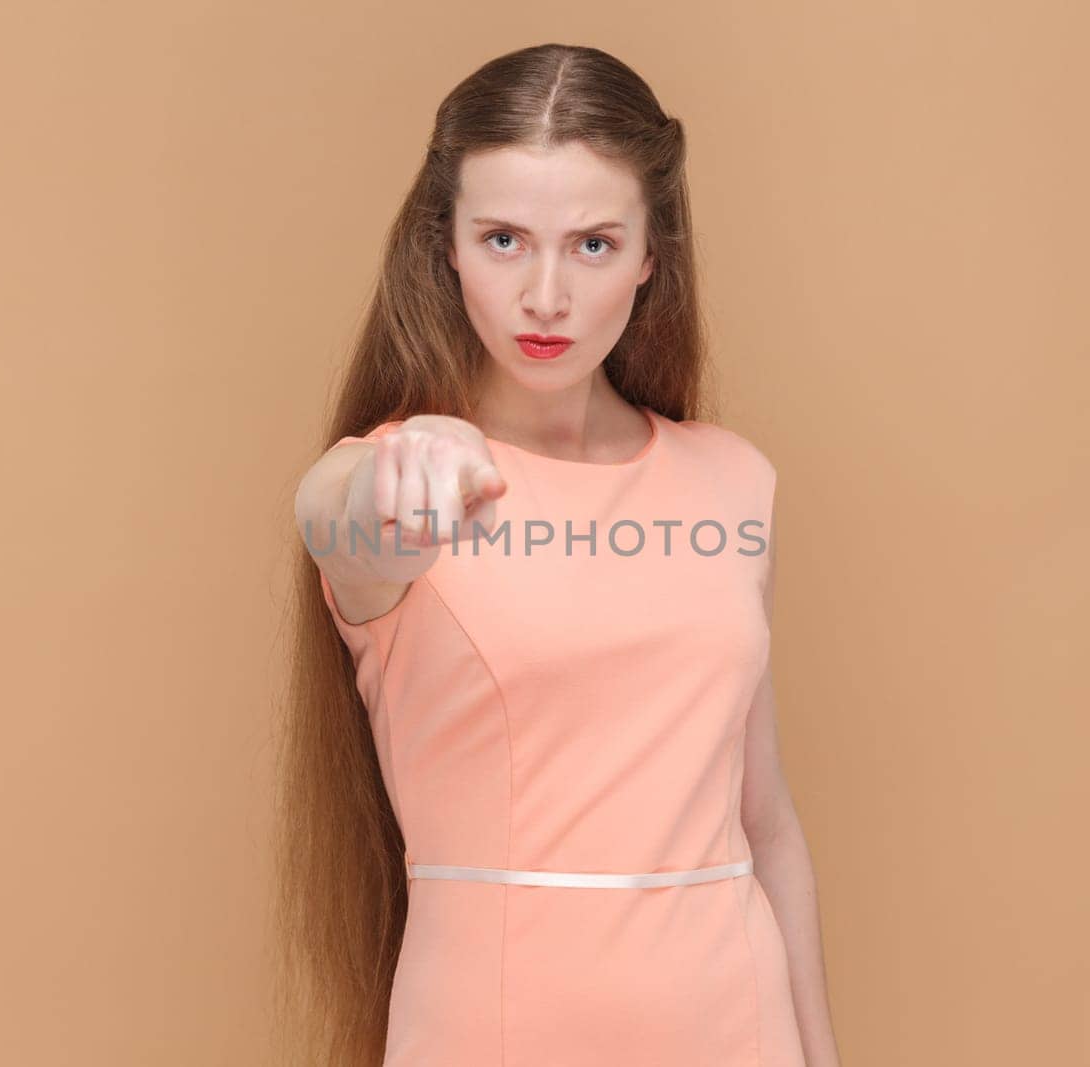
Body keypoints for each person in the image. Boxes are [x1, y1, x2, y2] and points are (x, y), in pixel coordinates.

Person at [270, 42, 843, 1067]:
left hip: (735, 1020)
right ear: (442, 245)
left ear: (649, 254)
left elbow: (767, 822)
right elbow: (328, 514)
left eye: (589, 244)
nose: (545, 294)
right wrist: (405, 463)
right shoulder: (398, 487)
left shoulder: (733, 481)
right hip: (494, 1030)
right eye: (502, 239)